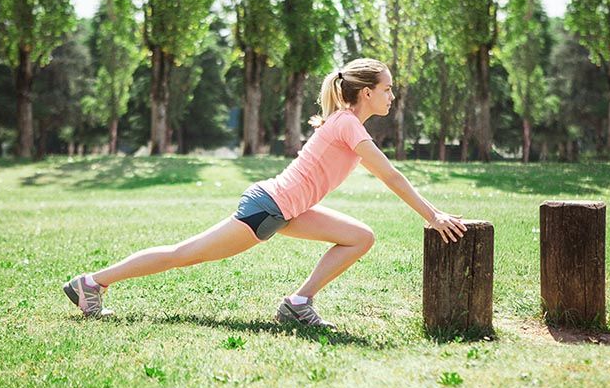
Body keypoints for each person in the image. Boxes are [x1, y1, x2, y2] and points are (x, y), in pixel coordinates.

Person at [63, 58, 467, 329]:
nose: (391, 96)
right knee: (184, 254)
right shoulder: (348, 125)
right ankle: (93, 283)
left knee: (360, 236)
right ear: (366, 93)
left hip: (288, 209)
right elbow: (391, 176)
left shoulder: (346, 124)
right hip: (269, 208)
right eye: (387, 89)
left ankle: (298, 304)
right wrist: (433, 216)